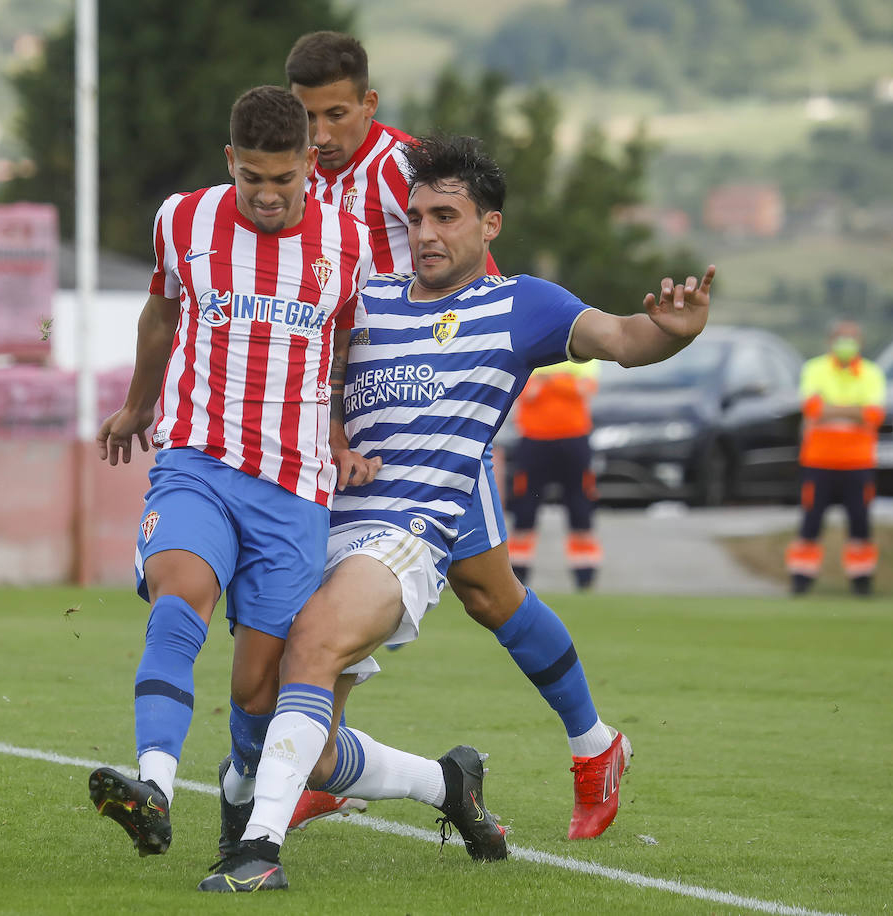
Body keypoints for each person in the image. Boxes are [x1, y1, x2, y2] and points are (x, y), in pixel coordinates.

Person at [201, 135, 714, 891]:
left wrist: (671, 332)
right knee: (290, 733)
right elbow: (303, 383)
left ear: (489, 226)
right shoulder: (364, 297)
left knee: (327, 642)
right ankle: (446, 784)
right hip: (309, 527)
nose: (426, 234)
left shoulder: (520, 304)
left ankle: (258, 853)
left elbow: (622, 338)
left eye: (446, 216)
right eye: (415, 218)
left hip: (404, 537)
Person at [215, 29, 626, 845]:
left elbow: (465, 248)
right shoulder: (296, 172)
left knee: (470, 595)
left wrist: (472, 349)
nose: (320, 135)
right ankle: (316, 770)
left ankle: (591, 746)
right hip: (354, 409)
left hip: (423, 411)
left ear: (367, 105)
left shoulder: (404, 170)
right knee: (466, 597)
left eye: (335, 116)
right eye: (307, 117)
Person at [87, 85, 375, 858]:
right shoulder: (182, 219)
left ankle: (243, 788)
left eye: (284, 178)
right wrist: (138, 403)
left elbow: (349, 349)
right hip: (198, 461)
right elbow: (161, 310)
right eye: (253, 178)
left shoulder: (349, 244)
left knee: (258, 689)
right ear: (230, 163)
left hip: (294, 486)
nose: (269, 194)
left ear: (309, 165)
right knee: (180, 596)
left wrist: (344, 434)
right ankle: (152, 785)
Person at [785, 321, 886, 596]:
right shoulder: (815, 369)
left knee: (860, 523)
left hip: (858, 462)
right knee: (811, 521)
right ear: (830, 341)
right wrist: (855, 411)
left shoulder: (871, 373)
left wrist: (832, 409)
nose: (846, 344)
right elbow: (812, 408)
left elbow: (874, 415)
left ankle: (862, 582)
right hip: (818, 461)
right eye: (841, 339)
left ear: (860, 343)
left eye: (851, 339)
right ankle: (801, 580)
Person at [505, 359, 602, 590]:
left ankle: (585, 573)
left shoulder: (585, 350)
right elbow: (524, 392)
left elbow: (585, 388)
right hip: (534, 440)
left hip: (574, 439)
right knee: (524, 508)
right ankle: (517, 573)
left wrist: (548, 382)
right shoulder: (532, 346)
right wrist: (563, 381)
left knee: (580, 506)